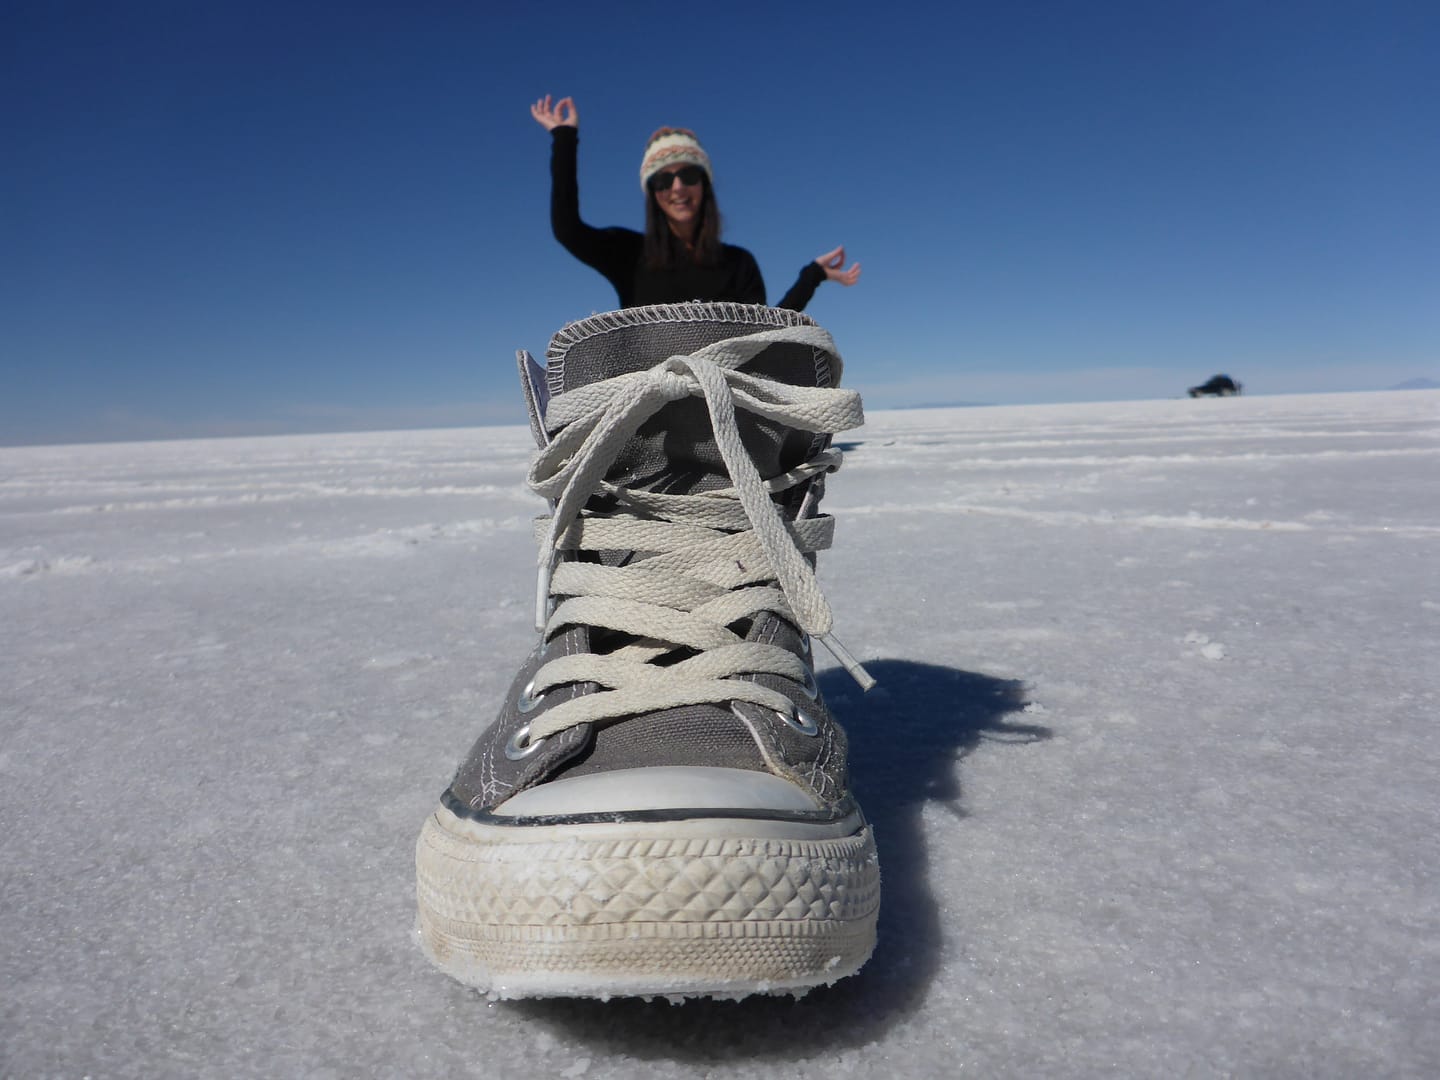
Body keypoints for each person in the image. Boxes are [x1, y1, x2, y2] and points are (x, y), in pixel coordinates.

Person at [529, 94, 861, 312]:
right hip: (650, 411)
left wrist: (813, 275)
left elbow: (765, 334)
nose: (677, 187)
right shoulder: (628, 254)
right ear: (652, 193)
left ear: (704, 184)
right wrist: (564, 139)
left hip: (721, 408)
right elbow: (566, 229)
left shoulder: (738, 263)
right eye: (662, 179)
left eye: (688, 175)